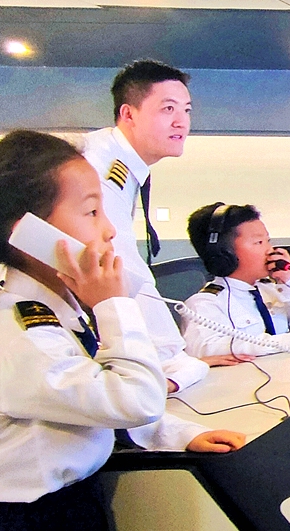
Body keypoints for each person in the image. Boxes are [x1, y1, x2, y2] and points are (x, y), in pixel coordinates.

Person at [0, 131, 243, 531]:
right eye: (92, 212)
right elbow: (135, 400)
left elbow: (93, 402)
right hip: (11, 520)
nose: (110, 230)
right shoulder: (24, 336)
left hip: (58, 505)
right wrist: (113, 304)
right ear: (31, 234)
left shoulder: (58, 312)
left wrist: (175, 434)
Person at [81, 60, 228, 394]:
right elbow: (121, 265)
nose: (181, 122)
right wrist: (172, 356)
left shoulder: (119, 159)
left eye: (186, 110)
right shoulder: (102, 167)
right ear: (128, 114)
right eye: (167, 109)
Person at [183, 203, 290, 357]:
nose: (270, 250)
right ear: (224, 254)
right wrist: (288, 341)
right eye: (259, 243)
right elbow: (205, 348)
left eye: (268, 241)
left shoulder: (270, 289)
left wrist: (288, 278)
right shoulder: (205, 303)